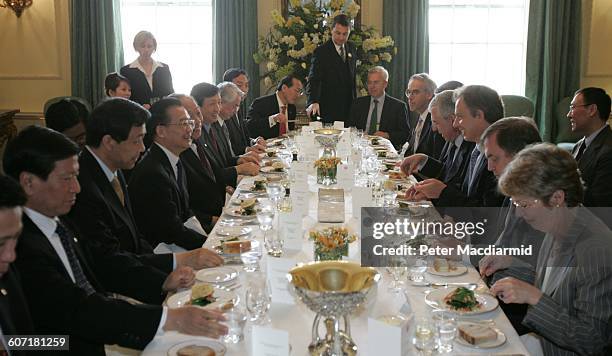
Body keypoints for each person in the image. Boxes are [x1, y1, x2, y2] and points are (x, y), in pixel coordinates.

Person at [3, 126, 227, 355]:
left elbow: (104, 263)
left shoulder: (58, 219)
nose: (77, 188)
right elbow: (71, 312)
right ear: (28, 182)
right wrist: (167, 320)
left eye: (76, 177)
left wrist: (163, 280)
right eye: (66, 178)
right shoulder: (17, 243)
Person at [480, 143, 612, 356]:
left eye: (524, 205)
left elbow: (593, 340)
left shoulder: (596, 249)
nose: (520, 215)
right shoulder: (560, 223)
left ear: (557, 198)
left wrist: (535, 298)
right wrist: (511, 264)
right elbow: (558, 287)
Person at [68, 98, 223, 273]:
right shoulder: (81, 186)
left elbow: (135, 237)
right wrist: (171, 270)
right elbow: (108, 260)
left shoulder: (115, 170)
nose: (142, 148)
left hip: (144, 262)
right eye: (136, 140)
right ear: (109, 142)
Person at [404, 85, 505, 208]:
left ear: (479, 115)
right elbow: (455, 181)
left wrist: (442, 193)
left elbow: (488, 215)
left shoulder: (500, 155)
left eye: (460, 117)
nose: (456, 124)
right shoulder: (476, 146)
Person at [129, 98, 207, 251]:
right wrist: (212, 246)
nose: (189, 129)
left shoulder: (174, 159)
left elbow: (185, 213)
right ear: (161, 131)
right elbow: (171, 230)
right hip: (161, 255)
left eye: (189, 123)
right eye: (183, 123)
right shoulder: (152, 173)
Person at [169, 94, 226, 231]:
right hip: (201, 226)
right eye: (187, 119)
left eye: (197, 113)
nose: (196, 121)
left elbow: (212, 176)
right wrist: (211, 220)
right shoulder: (178, 152)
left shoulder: (197, 142)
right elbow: (182, 210)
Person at [401, 90, 475, 191]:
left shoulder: (472, 147)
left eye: (436, 122)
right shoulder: (451, 141)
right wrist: (423, 159)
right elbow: (445, 172)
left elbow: (458, 189)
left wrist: (440, 192)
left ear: (452, 119)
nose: (434, 129)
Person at [190, 82, 260, 186]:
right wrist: (238, 169)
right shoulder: (195, 134)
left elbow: (223, 161)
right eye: (212, 104)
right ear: (198, 107)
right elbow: (208, 176)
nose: (217, 108)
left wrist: (239, 159)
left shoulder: (213, 127)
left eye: (219, 103)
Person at [0, 175, 35, 356]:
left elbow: (21, 341)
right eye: (0, 244)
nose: (11, 255)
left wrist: (65, 344)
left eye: (16, 238)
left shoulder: (7, 276)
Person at [306, 14, 357, 123]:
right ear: (331, 30)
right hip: (328, 108)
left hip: (349, 108)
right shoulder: (321, 52)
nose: (341, 37)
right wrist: (313, 101)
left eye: (345, 34)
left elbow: (352, 79)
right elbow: (314, 79)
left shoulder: (352, 48)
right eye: (338, 33)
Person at [567, 87, 612, 207]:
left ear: (592, 110)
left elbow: (600, 203)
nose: (568, 115)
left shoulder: (609, 151)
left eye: (572, 108)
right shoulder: (578, 145)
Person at [346, 66, 409, 149]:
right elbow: (349, 126)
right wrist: (358, 133)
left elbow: (405, 134)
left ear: (385, 84)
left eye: (376, 82)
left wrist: (387, 135)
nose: (372, 86)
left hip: (385, 149)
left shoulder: (398, 106)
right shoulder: (358, 103)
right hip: (360, 147)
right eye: (369, 82)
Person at [120, 30, 174, 108]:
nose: (146, 49)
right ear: (136, 47)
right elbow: (126, 97)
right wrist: (140, 106)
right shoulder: (126, 71)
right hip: (138, 114)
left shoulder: (164, 68)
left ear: (154, 47)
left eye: (149, 46)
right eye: (142, 46)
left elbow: (170, 93)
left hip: (162, 113)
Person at [404, 73, 445, 158]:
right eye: (409, 92)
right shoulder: (419, 116)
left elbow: (435, 157)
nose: (410, 97)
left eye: (415, 92)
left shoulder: (435, 120)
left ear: (429, 94)